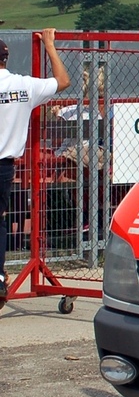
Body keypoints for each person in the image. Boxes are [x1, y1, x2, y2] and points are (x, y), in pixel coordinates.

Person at [0, 30, 71, 307]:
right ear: (6, 59)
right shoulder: (22, 86)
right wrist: (50, 46)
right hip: (5, 166)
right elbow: (63, 81)